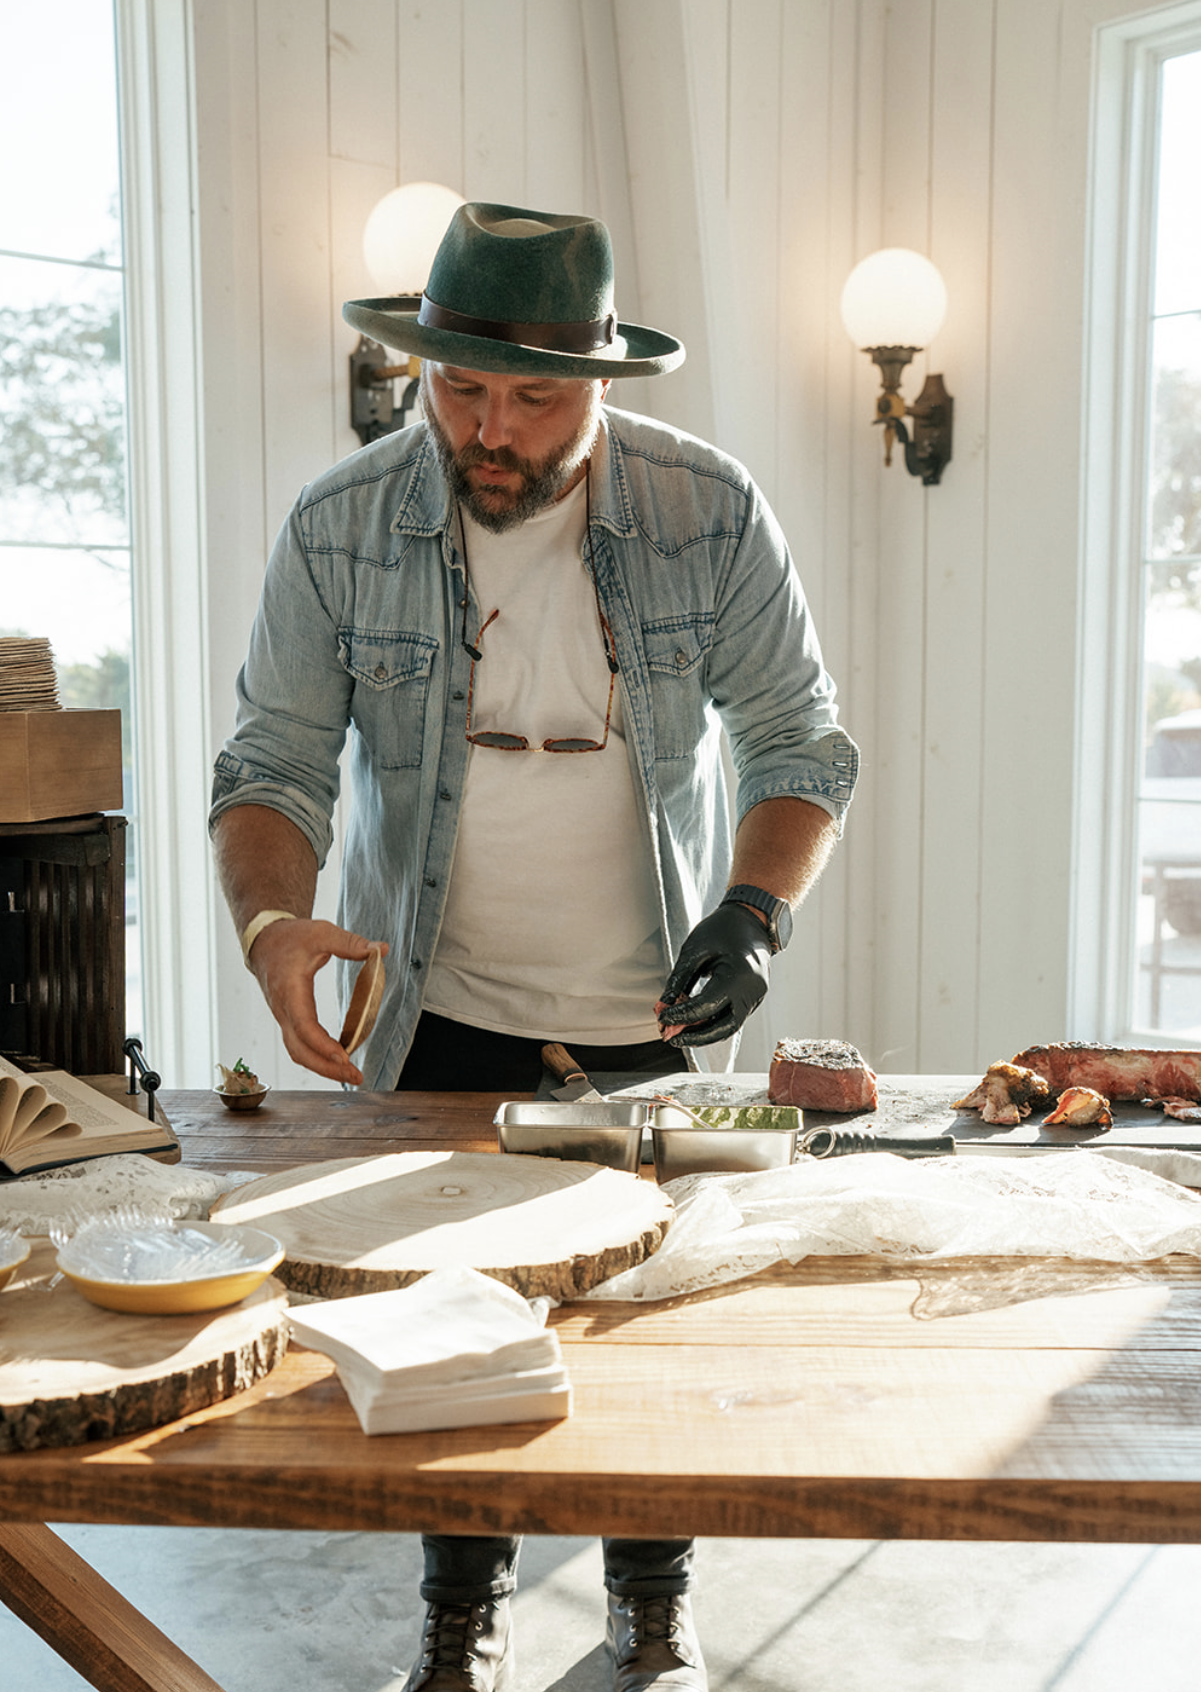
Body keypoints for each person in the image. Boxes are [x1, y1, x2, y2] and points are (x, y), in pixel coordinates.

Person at [210, 201, 858, 1692]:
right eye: (460, 388)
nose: (489, 430)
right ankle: (461, 1612)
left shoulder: (712, 510)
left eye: (535, 395)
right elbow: (270, 762)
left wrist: (756, 911)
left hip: (658, 1015)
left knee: (646, 1316)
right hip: (433, 1007)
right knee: (452, 1315)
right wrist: (271, 919)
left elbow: (799, 742)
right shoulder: (338, 525)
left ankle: (651, 1604)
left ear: (605, 380)